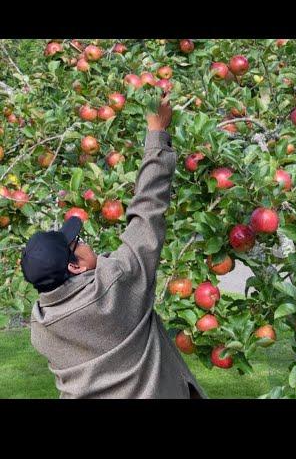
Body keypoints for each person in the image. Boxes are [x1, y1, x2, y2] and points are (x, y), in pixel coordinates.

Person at [21, 95, 206, 399]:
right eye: (78, 243)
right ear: (74, 266)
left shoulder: (41, 327)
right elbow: (148, 213)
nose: (86, 242)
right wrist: (156, 132)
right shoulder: (116, 287)